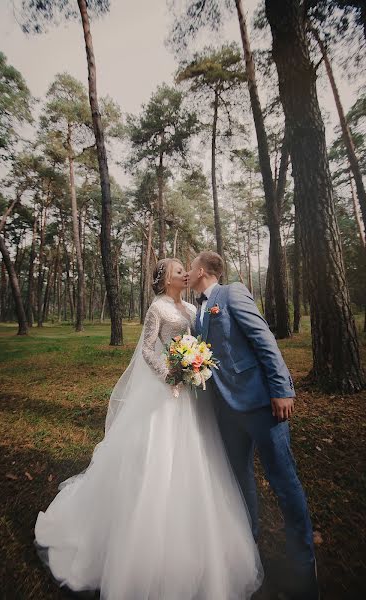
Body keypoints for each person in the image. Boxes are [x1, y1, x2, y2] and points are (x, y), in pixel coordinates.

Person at [34, 257, 263, 600]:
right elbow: (146, 348)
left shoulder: (190, 307)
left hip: (192, 397)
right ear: (165, 279)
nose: (185, 273)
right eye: (178, 271)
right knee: (158, 458)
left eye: (186, 269)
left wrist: (196, 364)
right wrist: (169, 373)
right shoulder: (157, 308)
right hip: (167, 392)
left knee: (201, 458)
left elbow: (202, 342)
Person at [188, 250, 319, 600]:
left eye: (190, 266)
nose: (186, 271)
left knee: (284, 481)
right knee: (239, 479)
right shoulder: (200, 311)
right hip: (227, 413)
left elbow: (264, 339)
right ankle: (249, 553)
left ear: (202, 270)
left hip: (263, 406)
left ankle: (304, 573)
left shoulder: (230, 293)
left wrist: (281, 389)